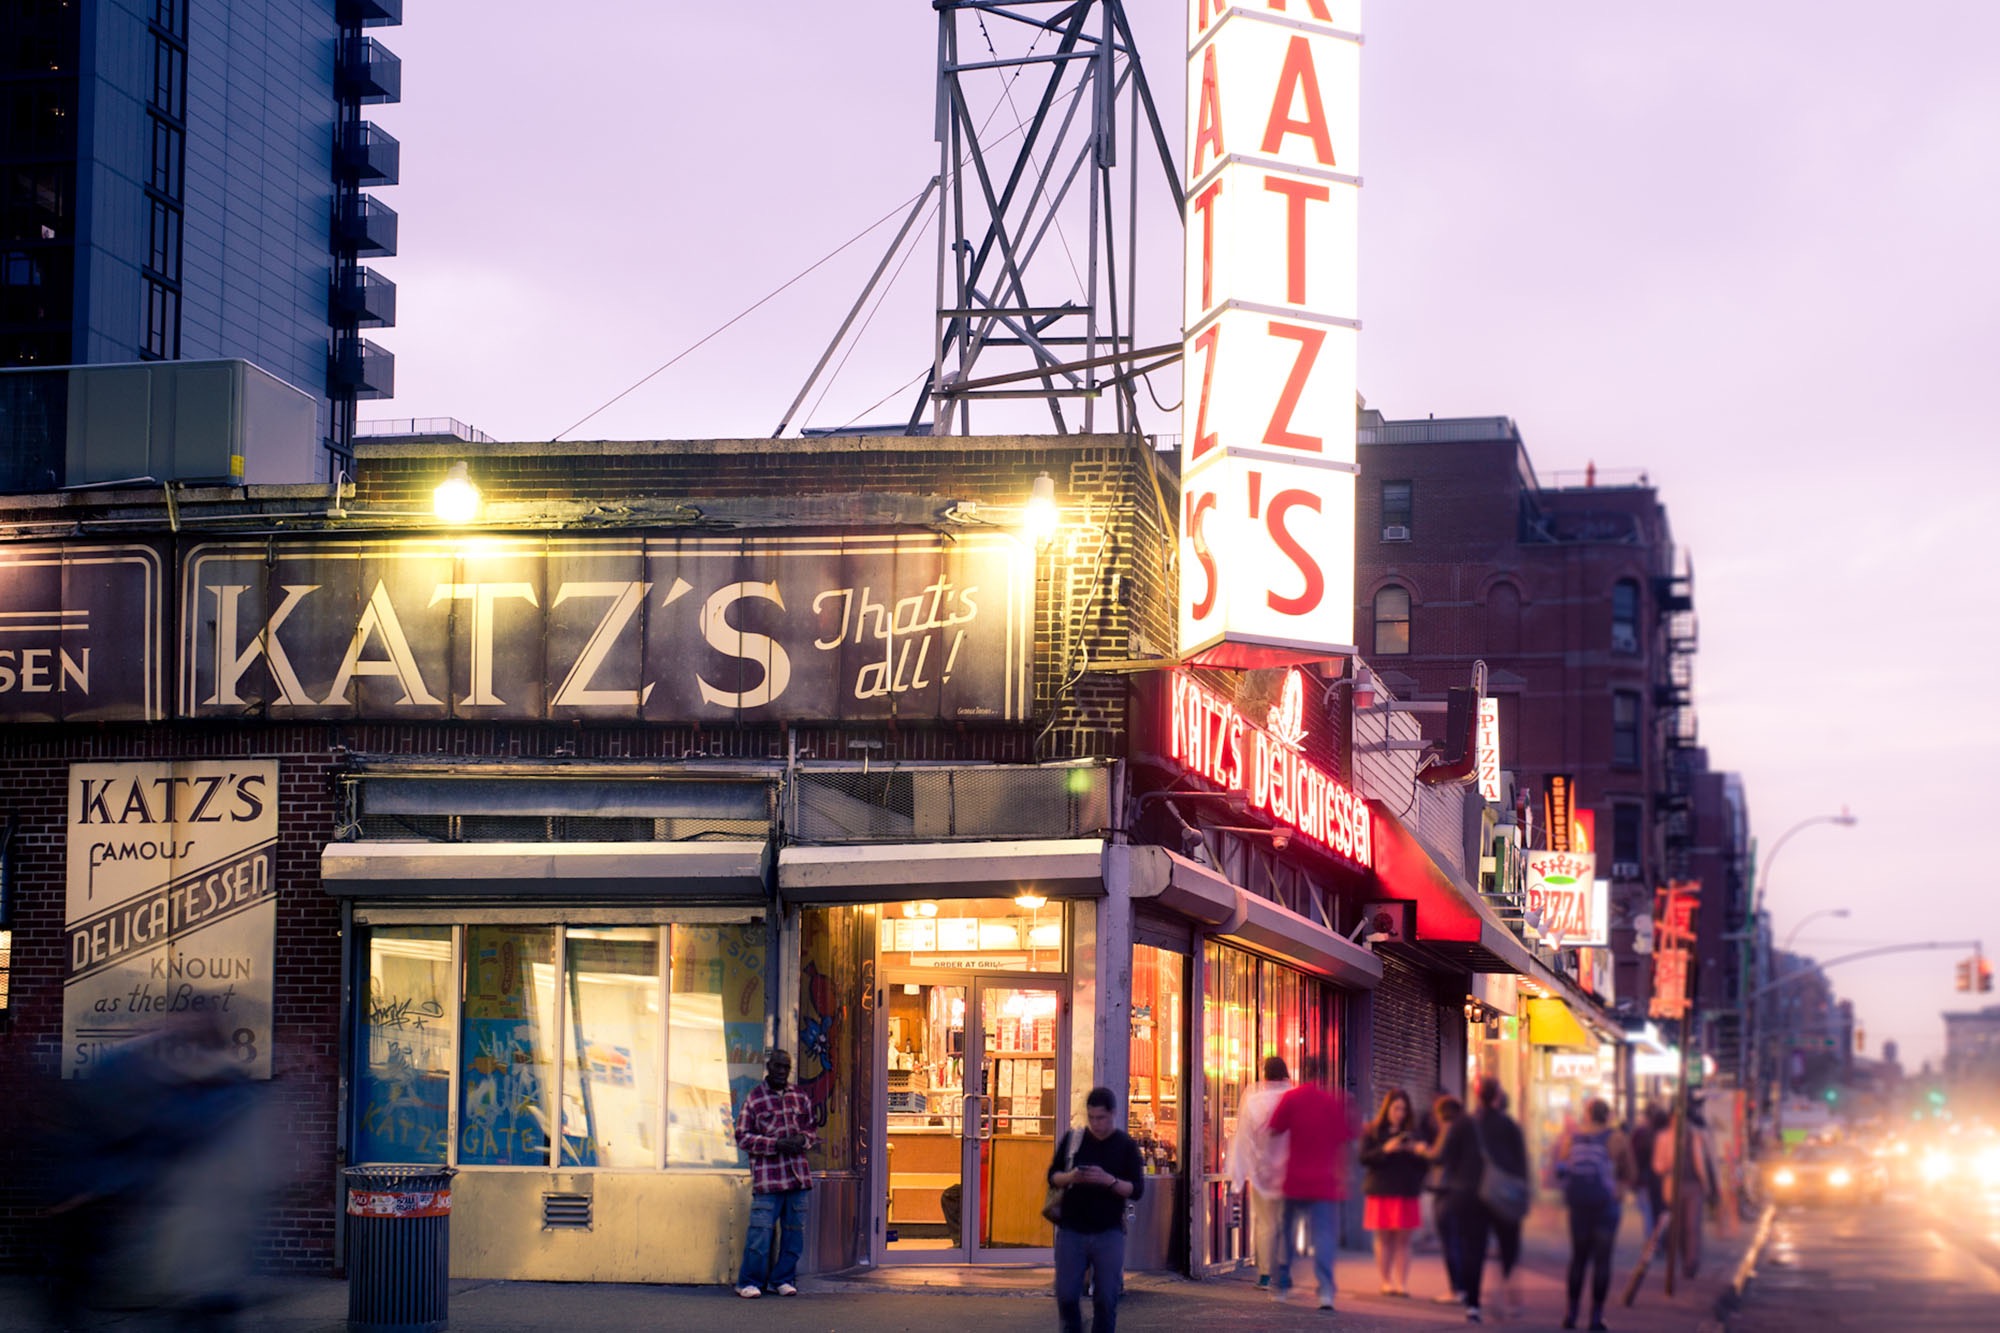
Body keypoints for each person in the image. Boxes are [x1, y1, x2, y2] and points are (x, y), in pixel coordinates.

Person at [1048, 1086, 1146, 1333]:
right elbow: (1052, 1177)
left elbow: (1136, 1190)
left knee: (1106, 1298)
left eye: (1101, 1118)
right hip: (1072, 1229)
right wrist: (1072, 1176)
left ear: (1112, 1114)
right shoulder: (1074, 1140)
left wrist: (1108, 1180)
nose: (1096, 1123)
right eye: (1091, 1117)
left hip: (1108, 1231)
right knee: (1067, 1295)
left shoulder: (1125, 1146)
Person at [1432, 1077, 1528, 1324]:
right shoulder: (1509, 1126)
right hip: (1502, 1196)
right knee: (1508, 1247)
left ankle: (1473, 1305)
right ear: (1497, 1096)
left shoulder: (1463, 1123)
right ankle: (1506, 1296)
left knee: (1472, 1249)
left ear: (1477, 1096)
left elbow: (1445, 1157)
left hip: (1469, 1196)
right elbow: (1521, 1164)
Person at [1267, 1056, 1353, 1311]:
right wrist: (1343, 1175)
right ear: (1325, 1074)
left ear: (1302, 1072)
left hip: (1294, 1179)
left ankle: (1281, 1285)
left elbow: (1274, 1130)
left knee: (1287, 1234)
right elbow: (1343, 1142)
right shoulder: (1332, 1102)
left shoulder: (1291, 1099)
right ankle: (1325, 1291)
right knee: (1324, 1236)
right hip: (1324, 1182)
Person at [733, 1049, 818, 1299]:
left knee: (794, 1235)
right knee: (760, 1234)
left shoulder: (799, 1096)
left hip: (797, 1177)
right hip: (768, 1179)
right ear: (768, 1067)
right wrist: (775, 1145)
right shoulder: (755, 1099)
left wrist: (802, 1139)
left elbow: (811, 1128)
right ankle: (748, 1282)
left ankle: (781, 1279)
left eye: (786, 1067)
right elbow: (742, 1136)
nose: (782, 1071)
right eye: (778, 1066)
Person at [1555, 1097, 1636, 1332]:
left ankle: (1570, 1316)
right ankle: (1595, 1319)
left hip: (1579, 1206)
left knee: (1578, 1259)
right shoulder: (1618, 1138)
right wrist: (1618, 1188)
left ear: (1587, 1114)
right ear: (1608, 1115)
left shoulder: (1573, 1137)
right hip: (1606, 1207)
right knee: (1602, 1261)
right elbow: (1631, 1171)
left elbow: (1562, 1169)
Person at [1228, 1055, 1295, 1290]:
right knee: (1285, 1222)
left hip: (1262, 1173)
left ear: (1264, 1075)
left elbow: (1243, 1139)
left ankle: (1266, 1274)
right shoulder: (1293, 1097)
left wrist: (1238, 1176)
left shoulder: (1253, 1100)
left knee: (1265, 1224)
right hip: (1290, 1173)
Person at [1357, 1087, 1428, 1297]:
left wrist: (1416, 1151)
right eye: (1396, 1108)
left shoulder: (1414, 1133)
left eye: (1403, 1109)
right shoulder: (1373, 1130)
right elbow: (1363, 1158)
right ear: (1387, 1108)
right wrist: (1385, 1150)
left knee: (1404, 1240)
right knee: (1384, 1238)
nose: (1400, 1113)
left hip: (1406, 1191)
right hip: (1381, 1190)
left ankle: (1402, 1283)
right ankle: (1386, 1281)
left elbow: (1424, 1165)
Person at [1426, 1096, 1468, 1306]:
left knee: (1450, 1242)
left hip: (1445, 1191)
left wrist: (1421, 1150)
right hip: (1461, 1192)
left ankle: (1456, 1289)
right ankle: (1463, 1287)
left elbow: (1437, 1155)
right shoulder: (1465, 1131)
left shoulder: (1448, 1128)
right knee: (1459, 1241)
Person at [1629, 1105, 1667, 1240]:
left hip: (1644, 1179)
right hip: (1662, 1179)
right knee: (1660, 1210)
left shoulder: (1640, 1133)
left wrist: (1632, 1179)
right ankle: (1660, 1240)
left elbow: (1632, 1157)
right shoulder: (1665, 1135)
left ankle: (1651, 1241)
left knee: (1647, 1212)